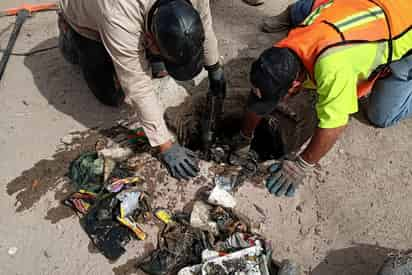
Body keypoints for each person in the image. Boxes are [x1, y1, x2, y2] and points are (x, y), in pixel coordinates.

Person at [231, 0, 412, 197]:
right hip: (368, 8)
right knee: (309, 9)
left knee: (381, 115)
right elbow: (260, 94)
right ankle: (296, 9)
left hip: (405, 28)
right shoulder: (286, 48)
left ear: (294, 85)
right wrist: (245, 136)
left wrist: (302, 164)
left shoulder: (333, 68)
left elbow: (335, 124)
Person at [58, 0, 226, 180]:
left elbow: (205, 25)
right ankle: (68, 35)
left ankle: (148, 52)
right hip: (85, 20)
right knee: (112, 96)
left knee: (158, 65)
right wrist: (166, 145)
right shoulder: (118, 18)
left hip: (137, 20)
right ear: (149, 38)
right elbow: (137, 86)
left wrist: (215, 68)